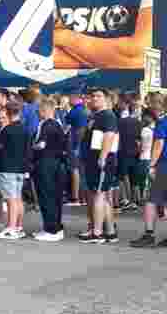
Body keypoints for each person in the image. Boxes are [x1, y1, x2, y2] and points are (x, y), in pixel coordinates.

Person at [79, 88, 120, 244]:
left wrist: (103, 157)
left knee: (99, 195)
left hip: (101, 161)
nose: (95, 98)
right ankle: (109, 231)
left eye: (98, 96)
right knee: (102, 195)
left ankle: (97, 233)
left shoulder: (107, 115)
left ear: (106, 99)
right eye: (93, 96)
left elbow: (109, 135)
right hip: (93, 160)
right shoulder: (96, 116)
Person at [31, 98, 68, 241]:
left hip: (46, 163)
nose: (37, 114)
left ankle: (51, 229)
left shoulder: (46, 124)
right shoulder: (58, 124)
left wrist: (31, 148)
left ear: (44, 110)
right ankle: (55, 227)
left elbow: (41, 144)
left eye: (38, 111)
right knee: (55, 197)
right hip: (57, 163)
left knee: (46, 196)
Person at [130, 106, 167, 248]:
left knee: (151, 201)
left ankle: (149, 234)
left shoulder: (162, 122)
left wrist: (152, 165)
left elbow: (159, 143)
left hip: (163, 165)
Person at [0, 99, 29, 239]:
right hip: (20, 168)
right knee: (18, 198)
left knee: (10, 199)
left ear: (7, 112)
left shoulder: (7, 129)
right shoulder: (24, 128)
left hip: (7, 167)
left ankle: (11, 228)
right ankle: (18, 227)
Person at [65, 93, 88, 205]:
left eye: (70, 98)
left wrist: (75, 146)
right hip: (82, 145)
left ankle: (75, 198)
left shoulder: (75, 111)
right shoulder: (84, 110)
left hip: (75, 144)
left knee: (75, 170)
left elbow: (67, 123)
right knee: (82, 171)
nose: (69, 100)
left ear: (75, 99)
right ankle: (83, 198)